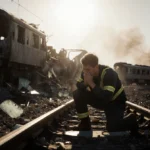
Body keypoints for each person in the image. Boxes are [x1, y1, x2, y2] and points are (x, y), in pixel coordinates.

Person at [73, 53, 139, 135]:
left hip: (115, 102)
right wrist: (85, 84)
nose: (85, 71)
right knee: (78, 93)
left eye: (88, 69)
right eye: (84, 69)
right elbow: (78, 84)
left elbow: (106, 96)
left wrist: (91, 83)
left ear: (96, 67)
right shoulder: (86, 73)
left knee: (113, 128)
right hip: (101, 99)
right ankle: (85, 123)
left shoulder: (109, 73)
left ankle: (131, 120)